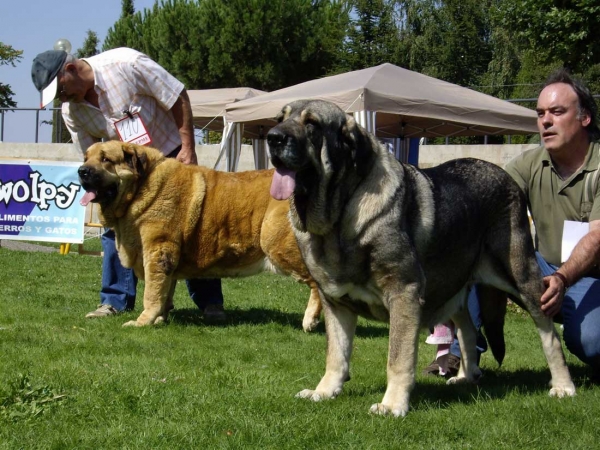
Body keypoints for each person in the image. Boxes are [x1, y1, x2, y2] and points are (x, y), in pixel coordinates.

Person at [31, 47, 226, 322]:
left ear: (71, 69)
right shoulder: (71, 111)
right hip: (123, 172)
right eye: (57, 96)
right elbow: (90, 156)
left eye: (61, 90)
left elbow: (176, 95)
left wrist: (188, 146)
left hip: (168, 155)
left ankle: (210, 304)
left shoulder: (127, 64)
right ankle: (114, 301)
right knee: (115, 226)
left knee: (191, 227)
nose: (62, 99)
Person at [505, 68, 600, 380]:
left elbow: (597, 238)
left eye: (557, 112)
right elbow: (487, 202)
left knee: (592, 342)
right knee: (479, 250)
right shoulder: (530, 163)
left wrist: (562, 278)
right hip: (543, 267)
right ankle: (459, 357)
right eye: (540, 113)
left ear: (584, 117)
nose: (545, 121)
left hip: (592, 276)